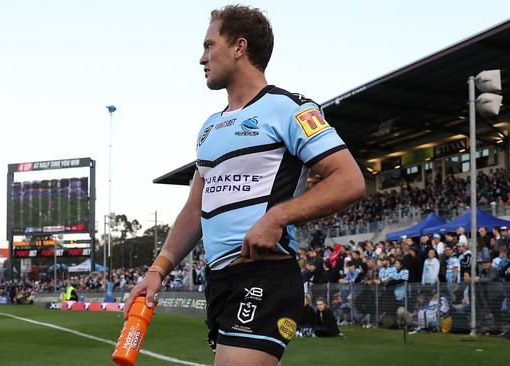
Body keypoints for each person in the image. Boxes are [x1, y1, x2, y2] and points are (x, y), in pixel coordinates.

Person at [123, 6, 364, 366]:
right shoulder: (208, 128)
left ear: (239, 47)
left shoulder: (290, 109)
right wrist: (157, 271)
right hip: (218, 281)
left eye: (209, 45)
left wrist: (277, 217)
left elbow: (349, 179)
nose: (201, 58)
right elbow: (194, 210)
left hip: (266, 272)